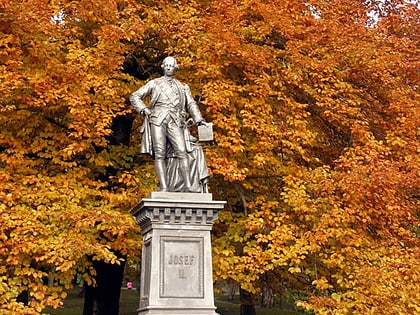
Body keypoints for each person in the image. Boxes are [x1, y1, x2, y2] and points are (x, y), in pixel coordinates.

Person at [130, 57, 210, 192]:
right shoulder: (154, 83)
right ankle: (164, 187)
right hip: (157, 120)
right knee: (160, 153)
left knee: (182, 151)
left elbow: (190, 103)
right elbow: (135, 96)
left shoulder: (183, 87)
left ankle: (189, 186)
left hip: (175, 121)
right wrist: (144, 109)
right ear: (162, 67)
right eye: (166, 65)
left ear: (175, 68)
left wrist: (198, 118)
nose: (168, 67)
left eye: (171, 66)